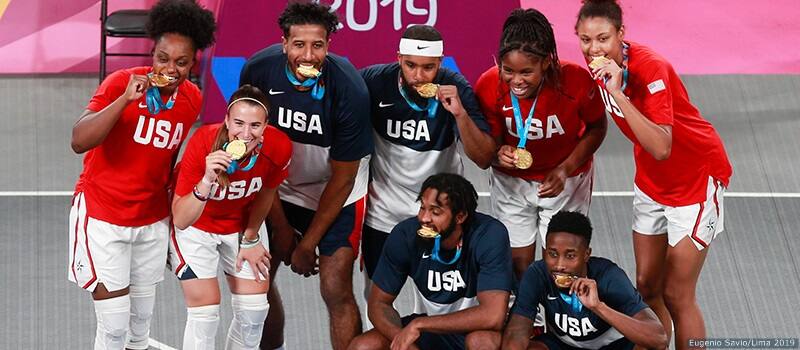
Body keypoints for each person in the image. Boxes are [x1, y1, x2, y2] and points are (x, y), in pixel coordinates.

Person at [574, 0, 732, 347]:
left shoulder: (651, 69)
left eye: (603, 38)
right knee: (646, 286)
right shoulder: (599, 65)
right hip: (651, 181)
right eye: (585, 40)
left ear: (621, 34)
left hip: (695, 180)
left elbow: (662, 147)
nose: (594, 49)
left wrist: (618, 93)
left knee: (677, 293)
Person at [67, 1, 216, 349]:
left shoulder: (192, 99)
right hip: (104, 216)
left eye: (181, 62)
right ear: (153, 54)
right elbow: (78, 141)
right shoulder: (121, 83)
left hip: (150, 221)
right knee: (113, 328)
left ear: (193, 62)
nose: (170, 69)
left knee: (139, 328)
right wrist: (123, 101)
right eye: (163, 58)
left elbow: (168, 158)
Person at [238, 2, 373, 349]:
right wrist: (282, 229)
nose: (308, 56)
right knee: (256, 284)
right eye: (299, 44)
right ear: (284, 43)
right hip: (277, 186)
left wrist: (307, 244)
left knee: (335, 286)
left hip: (335, 191)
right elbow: (254, 152)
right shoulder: (259, 71)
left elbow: (343, 178)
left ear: (329, 45)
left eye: (318, 45)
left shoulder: (349, 88)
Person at [359, 24, 495, 305]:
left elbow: (483, 158)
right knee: (375, 298)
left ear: (440, 63)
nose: (419, 76)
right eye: (410, 65)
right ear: (398, 58)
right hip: (384, 213)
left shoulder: (455, 88)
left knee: (438, 304)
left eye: (428, 67)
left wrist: (459, 114)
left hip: (440, 214)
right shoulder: (374, 82)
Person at [474, 8, 607, 279]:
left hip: (566, 181)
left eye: (526, 72)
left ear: (546, 62)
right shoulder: (488, 85)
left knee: (560, 268)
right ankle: (526, 308)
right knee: (517, 267)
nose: (516, 81)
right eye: (508, 70)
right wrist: (499, 152)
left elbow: (597, 127)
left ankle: (557, 309)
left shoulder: (576, 81)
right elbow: (490, 144)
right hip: (511, 183)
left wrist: (565, 168)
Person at [169, 85, 291, 349]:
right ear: (226, 120)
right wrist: (206, 179)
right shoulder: (203, 141)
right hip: (197, 227)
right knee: (204, 316)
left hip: (240, 227)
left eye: (255, 125)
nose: (245, 134)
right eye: (238, 123)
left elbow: (266, 194)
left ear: (266, 125)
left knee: (254, 312)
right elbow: (181, 219)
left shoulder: (279, 146)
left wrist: (251, 237)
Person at [349, 173, 513, 350]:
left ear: (460, 217)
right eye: (422, 207)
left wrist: (420, 324)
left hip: (476, 329)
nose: (424, 218)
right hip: (431, 328)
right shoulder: (405, 235)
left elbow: (492, 316)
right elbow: (378, 303)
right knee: (363, 346)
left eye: (435, 212)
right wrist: (401, 339)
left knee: (480, 342)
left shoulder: (489, 236)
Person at [503, 211, 667, 350]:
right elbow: (517, 332)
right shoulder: (537, 274)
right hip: (564, 345)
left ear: (586, 254)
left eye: (570, 256)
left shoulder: (609, 277)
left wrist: (598, 307)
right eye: (553, 254)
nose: (559, 265)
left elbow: (659, 338)